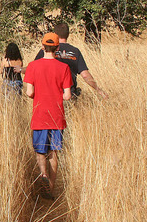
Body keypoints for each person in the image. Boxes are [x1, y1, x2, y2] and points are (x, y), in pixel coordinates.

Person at [24, 32, 73, 200]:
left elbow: (29, 92)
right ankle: (50, 189)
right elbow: (67, 95)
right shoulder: (64, 68)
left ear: (42, 46)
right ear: (57, 48)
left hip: (39, 115)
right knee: (53, 152)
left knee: (40, 151)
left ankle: (43, 175)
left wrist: (37, 95)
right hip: (57, 116)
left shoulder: (32, 66)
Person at [33, 22, 108, 99]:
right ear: (68, 34)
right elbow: (85, 75)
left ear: (55, 34)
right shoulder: (75, 51)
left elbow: (32, 69)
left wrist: (20, 69)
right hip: (69, 94)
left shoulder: (47, 49)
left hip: (49, 94)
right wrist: (99, 90)